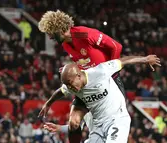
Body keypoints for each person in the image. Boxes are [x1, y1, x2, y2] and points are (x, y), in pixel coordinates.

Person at [38, 10, 124, 142]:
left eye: (50, 32)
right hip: (87, 84)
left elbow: (116, 47)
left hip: (108, 82)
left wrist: (111, 73)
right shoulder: (66, 45)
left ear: (59, 29)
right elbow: (86, 61)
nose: (49, 37)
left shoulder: (84, 34)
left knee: (112, 123)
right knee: (74, 122)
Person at [40, 55, 161, 142]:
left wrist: (145, 59)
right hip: (98, 128)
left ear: (78, 75)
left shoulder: (99, 72)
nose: (71, 87)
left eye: (71, 83)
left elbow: (122, 61)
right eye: (68, 86)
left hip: (117, 120)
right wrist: (48, 103)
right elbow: (60, 92)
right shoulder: (74, 90)